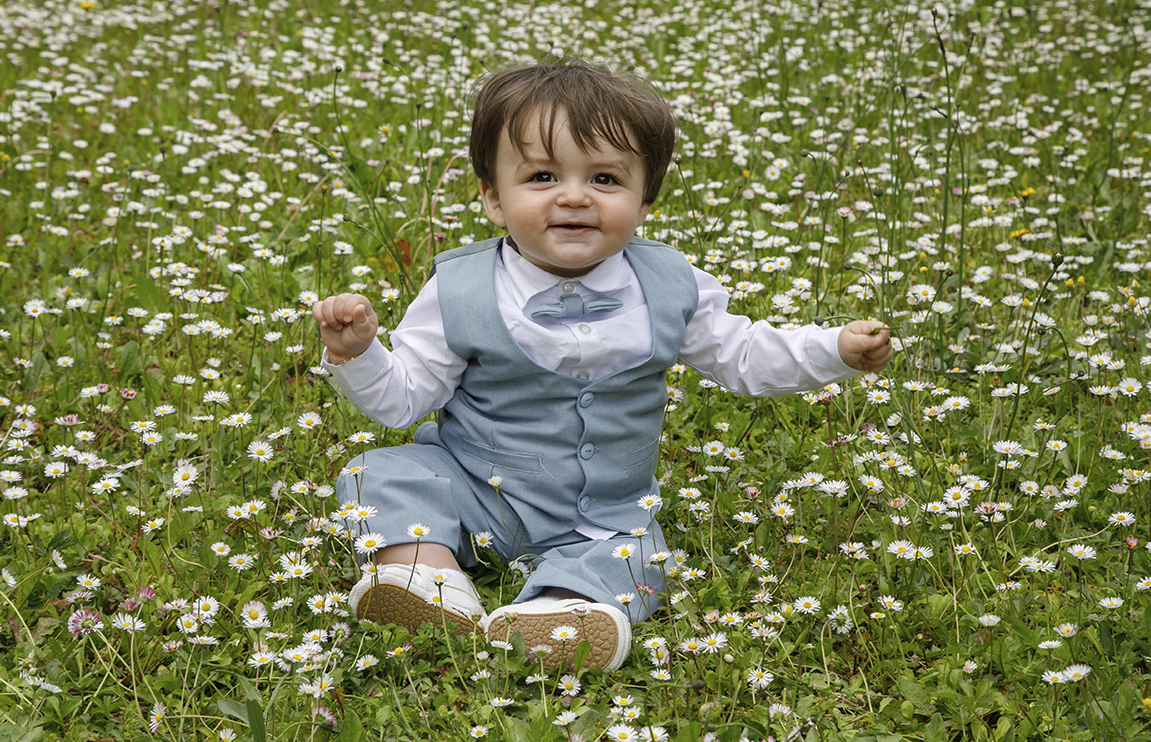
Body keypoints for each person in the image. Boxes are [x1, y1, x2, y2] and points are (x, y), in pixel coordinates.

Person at [312, 57, 893, 671]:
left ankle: (562, 609)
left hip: (607, 512)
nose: (574, 196)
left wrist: (834, 351)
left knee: (635, 552)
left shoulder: (669, 285)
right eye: (540, 176)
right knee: (383, 472)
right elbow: (405, 399)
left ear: (645, 202)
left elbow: (745, 355)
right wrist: (359, 355)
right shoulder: (459, 289)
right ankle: (424, 578)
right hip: (479, 489)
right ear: (492, 197)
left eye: (606, 180)